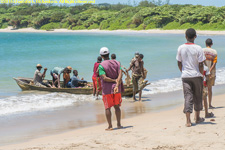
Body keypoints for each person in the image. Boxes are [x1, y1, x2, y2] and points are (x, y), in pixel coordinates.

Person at [176, 28, 205, 127]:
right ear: (195, 36)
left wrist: (183, 71)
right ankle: (197, 118)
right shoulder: (198, 48)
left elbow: (179, 62)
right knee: (198, 96)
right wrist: (202, 75)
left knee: (188, 97)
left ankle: (188, 121)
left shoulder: (180, 48)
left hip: (185, 76)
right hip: (196, 75)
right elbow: (201, 64)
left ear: (185, 36)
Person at [98, 47, 124, 130]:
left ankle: (110, 126)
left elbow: (104, 78)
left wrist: (113, 80)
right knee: (117, 107)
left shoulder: (101, 65)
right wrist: (117, 81)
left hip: (107, 90)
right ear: (109, 54)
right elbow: (120, 74)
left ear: (101, 56)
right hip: (117, 88)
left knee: (107, 107)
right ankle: (119, 124)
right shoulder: (117, 63)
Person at [203, 38, 217, 109]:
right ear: (212, 44)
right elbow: (214, 63)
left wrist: (205, 70)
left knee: (203, 89)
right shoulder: (214, 52)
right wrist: (209, 70)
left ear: (205, 44)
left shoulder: (202, 51)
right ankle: (210, 104)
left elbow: (201, 62)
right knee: (209, 89)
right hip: (211, 73)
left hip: (203, 73)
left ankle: (203, 105)